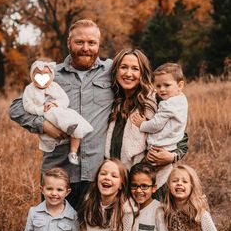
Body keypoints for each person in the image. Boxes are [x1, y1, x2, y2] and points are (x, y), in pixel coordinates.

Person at [10, 19, 114, 231]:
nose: (86, 48)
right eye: (80, 42)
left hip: (96, 177)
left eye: (92, 43)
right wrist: (44, 125)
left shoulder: (111, 73)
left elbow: (151, 98)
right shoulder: (50, 74)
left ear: (99, 44)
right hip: (58, 179)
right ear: (69, 43)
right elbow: (15, 108)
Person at [104, 50, 188, 201]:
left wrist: (172, 156)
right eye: (123, 67)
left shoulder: (156, 98)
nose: (128, 73)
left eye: (135, 68)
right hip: (117, 178)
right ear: (116, 70)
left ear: (142, 73)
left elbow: (179, 132)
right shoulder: (111, 99)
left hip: (150, 180)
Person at [23, 59, 93, 164]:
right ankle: (69, 130)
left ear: (51, 76)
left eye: (46, 75)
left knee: (73, 118)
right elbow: (28, 106)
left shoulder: (55, 86)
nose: (42, 79)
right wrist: (41, 109)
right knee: (56, 116)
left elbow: (65, 100)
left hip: (60, 111)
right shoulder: (30, 89)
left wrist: (55, 104)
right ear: (32, 76)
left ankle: (73, 152)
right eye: (38, 75)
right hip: (47, 115)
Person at [131, 63, 188, 190]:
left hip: (159, 147)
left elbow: (156, 124)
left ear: (180, 85)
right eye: (158, 86)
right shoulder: (181, 99)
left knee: (146, 174)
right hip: (170, 145)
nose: (161, 89)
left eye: (167, 85)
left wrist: (142, 124)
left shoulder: (167, 104)